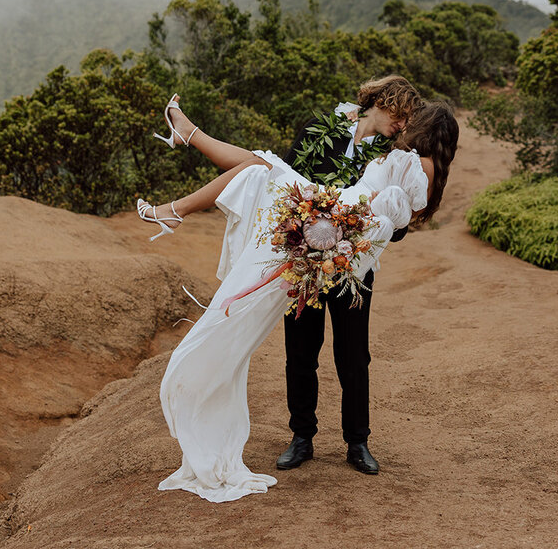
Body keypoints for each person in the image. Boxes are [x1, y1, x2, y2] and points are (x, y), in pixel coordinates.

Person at [138, 95, 458, 502]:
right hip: (305, 248)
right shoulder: (322, 130)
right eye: (401, 116)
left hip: (352, 262)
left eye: (412, 121)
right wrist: (314, 220)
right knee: (301, 350)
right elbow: (297, 172)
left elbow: (397, 227)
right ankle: (301, 438)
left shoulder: (397, 156)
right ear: (384, 103)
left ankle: (357, 442)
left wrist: (351, 227)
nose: (403, 125)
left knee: (353, 355)